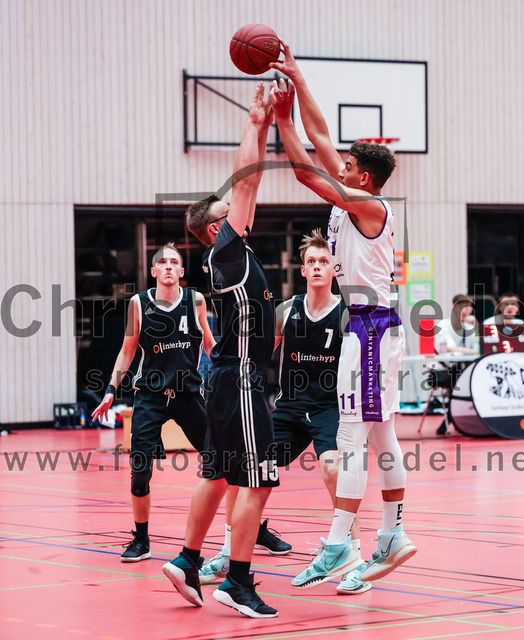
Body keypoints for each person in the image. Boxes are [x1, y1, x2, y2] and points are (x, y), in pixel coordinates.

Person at [268, 45, 416, 588]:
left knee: (352, 436)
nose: (340, 165)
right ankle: (391, 534)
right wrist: (299, 80)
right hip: (372, 327)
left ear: (365, 179)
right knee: (381, 436)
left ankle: (337, 545)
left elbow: (307, 174)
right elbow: (323, 136)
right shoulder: (357, 193)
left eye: (350, 167)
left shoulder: (368, 205)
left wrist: (282, 122)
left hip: (370, 329)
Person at [161, 83, 280, 618]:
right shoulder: (227, 252)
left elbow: (248, 187)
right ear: (216, 226)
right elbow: (247, 180)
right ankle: (237, 581)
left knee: (214, 474)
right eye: (228, 209)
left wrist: (264, 125)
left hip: (226, 382)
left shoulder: (234, 253)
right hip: (241, 380)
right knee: (258, 482)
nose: (239, 207)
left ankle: (187, 560)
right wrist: (254, 122)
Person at [198, 229, 371, 596]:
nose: (318, 266)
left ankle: (354, 559)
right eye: (311, 262)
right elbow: (259, 356)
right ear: (303, 270)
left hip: (329, 409)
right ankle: (229, 553)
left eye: (324, 261)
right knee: (244, 472)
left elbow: (360, 368)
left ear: (334, 269)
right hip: (289, 407)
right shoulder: (286, 310)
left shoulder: (346, 314)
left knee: (334, 469)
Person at [91, 243, 215, 562]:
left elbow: (209, 345)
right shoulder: (139, 303)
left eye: (175, 262)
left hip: (188, 394)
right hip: (150, 394)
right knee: (139, 472)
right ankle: (142, 540)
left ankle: (253, 527)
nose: (169, 266)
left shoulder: (195, 301)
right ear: (154, 270)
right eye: (164, 262)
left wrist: (234, 372)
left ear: (182, 271)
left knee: (223, 460)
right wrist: (110, 389)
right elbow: (127, 350)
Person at [431, 294, 477, 435]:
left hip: (463, 370)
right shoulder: (443, 326)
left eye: (468, 306)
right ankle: (452, 419)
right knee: (460, 382)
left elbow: (478, 348)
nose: (465, 309)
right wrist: (471, 352)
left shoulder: (470, 328)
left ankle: (454, 419)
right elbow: (450, 348)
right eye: (461, 306)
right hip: (442, 371)